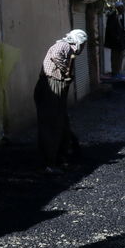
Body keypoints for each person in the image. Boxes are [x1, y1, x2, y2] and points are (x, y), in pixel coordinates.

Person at [34, 29, 87, 174]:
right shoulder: (63, 46)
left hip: (57, 87)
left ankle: (60, 159)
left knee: (62, 124)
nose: (82, 48)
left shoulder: (70, 52)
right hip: (50, 86)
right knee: (51, 125)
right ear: (77, 41)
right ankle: (49, 163)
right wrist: (65, 71)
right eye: (82, 45)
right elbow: (56, 55)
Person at [104, 1, 125, 76]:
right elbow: (111, 30)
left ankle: (119, 71)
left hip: (120, 42)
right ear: (118, 8)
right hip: (115, 42)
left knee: (120, 57)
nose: (123, 10)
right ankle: (115, 72)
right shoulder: (112, 16)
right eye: (121, 8)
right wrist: (117, 38)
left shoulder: (120, 16)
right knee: (115, 58)